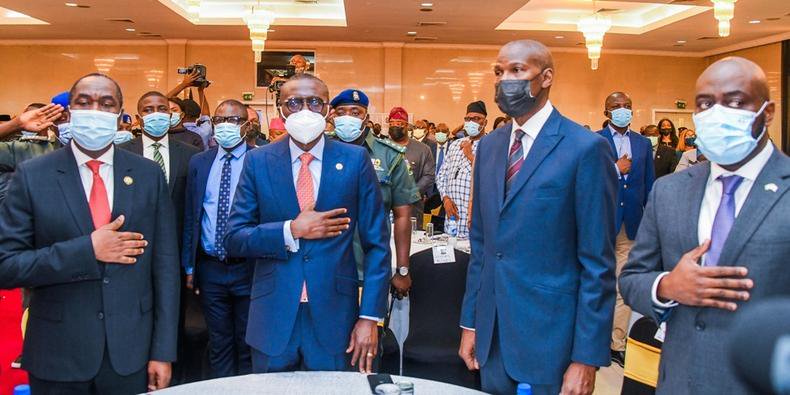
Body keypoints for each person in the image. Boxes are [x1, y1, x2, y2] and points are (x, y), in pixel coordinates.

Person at [619, 56, 790, 394]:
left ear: (767, 112)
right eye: (706, 104)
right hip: (680, 380)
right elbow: (632, 279)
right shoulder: (669, 191)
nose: (718, 113)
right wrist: (667, 286)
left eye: (735, 102)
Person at [0, 73, 179, 394]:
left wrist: (163, 351)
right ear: (70, 113)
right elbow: (7, 265)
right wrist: (87, 250)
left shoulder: (148, 175)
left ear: (120, 116)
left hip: (130, 353)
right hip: (57, 352)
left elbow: (165, 267)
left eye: (106, 104)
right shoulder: (33, 175)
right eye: (84, 103)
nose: (95, 111)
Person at [458, 40, 617, 395]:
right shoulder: (490, 146)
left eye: (517, 70)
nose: (505, 80)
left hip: (551, 339)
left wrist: (586, 357)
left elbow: (597, 264)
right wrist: (471, 322)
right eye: (498, 72)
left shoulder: (585, 148)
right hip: (493, 335)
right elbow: (482, 247)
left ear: (546, 78)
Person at [224, 74, 390, 374]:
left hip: (335, 317)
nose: (304, 110)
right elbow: (235, 238)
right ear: (280, 109)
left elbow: (377, 245)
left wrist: (369, 317)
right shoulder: (258, 161)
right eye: (294, 103)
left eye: (314, 102)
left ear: (327, 109)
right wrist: (291, 230)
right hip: (273, 315)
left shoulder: (355, 160)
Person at [182, 99, 254, 378]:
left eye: (233, 120)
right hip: (210, 267)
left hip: (248, 266)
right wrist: (190, 266)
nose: (226, 126)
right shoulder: (200, 162)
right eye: (220, 120)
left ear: (247, 125)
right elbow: (192, 214)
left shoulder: (260, 160)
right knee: (218, 342)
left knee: (248, 342)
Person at [330, 88, 420, 297]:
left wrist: (403, 269)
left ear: (366, 117)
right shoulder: (321, 149)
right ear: (332, 117)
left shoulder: (389, 155)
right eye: (341, 112)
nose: (348, 118)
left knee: (370, 318)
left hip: (371, 265)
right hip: (326, 266)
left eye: (356, 112)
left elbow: (403, 214)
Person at [596, 91, 655, 367]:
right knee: (597, 282)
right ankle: (595, 339)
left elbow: (649, 185)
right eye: (616, 106)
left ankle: (616, 342)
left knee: (623, 284)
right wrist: (615, 168)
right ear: (606, 112)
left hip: (631, 224)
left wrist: (651, 222)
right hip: (600, 221)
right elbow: (588, 180)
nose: (623, 110)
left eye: (627, 106)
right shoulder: (594, 140)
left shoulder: (643, 143)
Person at [120, 91, 200, 242]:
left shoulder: (191, 154)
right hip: (133, 239)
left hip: (176, 239)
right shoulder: (121, 152)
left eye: (162, 109)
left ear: (169, 115)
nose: (156, 114)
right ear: (139, 118)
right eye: (148, 110)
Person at [437, 100, 488, 239]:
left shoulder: (490, 145)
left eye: (476, 118)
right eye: (468, 119)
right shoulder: (455, 144)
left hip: (475, 219)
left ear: (485, 122)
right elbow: (441, 175)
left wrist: (471, 156)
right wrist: (445, 198)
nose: (471, 122)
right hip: (452, 219)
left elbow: (489, 178)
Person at [387, 107, 435, 228]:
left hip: (412, 207)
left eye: (399, 123)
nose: (395, 126)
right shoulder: (381, 146)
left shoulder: (423, 149)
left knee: (410, 238)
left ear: (407, 125)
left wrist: (411, 194)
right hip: (384, 207)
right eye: (391, 123)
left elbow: (428, 176)